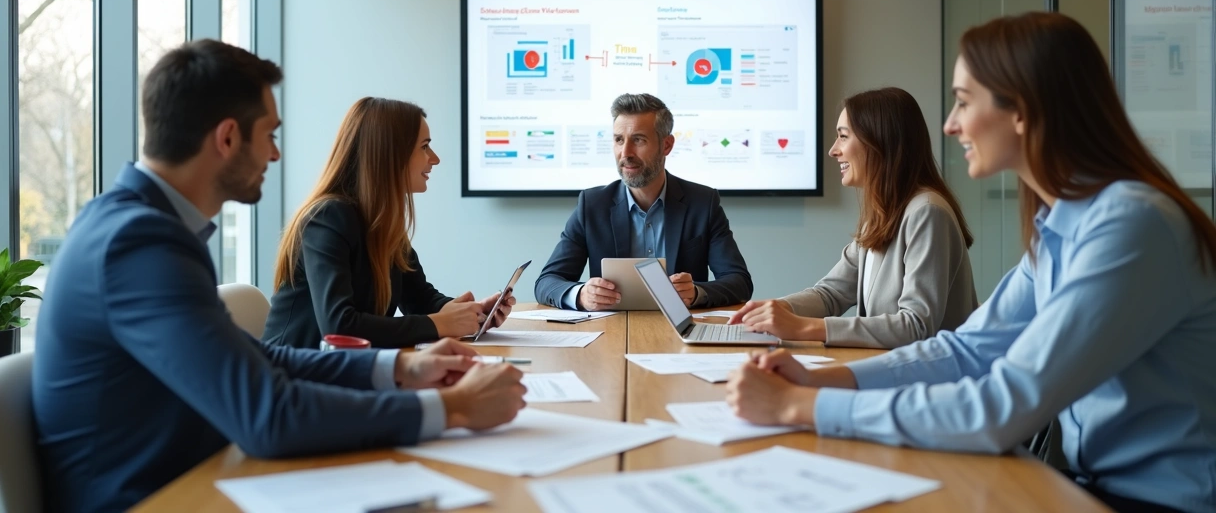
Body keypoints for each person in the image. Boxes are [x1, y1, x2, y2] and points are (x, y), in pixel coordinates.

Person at [726, 12, 1216, 513]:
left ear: (1021, 110)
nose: (950, 124)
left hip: (1160, 501)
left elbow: (1002, 404)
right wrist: (824, 379)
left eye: (963, 102)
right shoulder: (1059, 226)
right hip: (1087, 483)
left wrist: (801, 406)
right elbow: (966, 352)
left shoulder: (1131, 225)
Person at [32, 40, 526, 513]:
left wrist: (400, 370)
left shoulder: (146, 228)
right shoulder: (138, 244)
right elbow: (267, 415)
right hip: (158, 497)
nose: (276, 154)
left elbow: (255, 357)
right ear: (227, 138)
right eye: (269, 135)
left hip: (201, 474)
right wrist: (453, 410)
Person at [727, 87, 977, 348]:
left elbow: (916, 326)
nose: (833, 150)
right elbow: (831, 293)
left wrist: (804, 327)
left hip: (927, 380)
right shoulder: (883, 213)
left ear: (879, 142)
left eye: (843, 137)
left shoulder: (926, 212)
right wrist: (775, 309)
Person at [263, 97, 512, 349]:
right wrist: (440, 324)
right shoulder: (327, 218)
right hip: (292, 378)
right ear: (390, 154)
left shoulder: (382, 223)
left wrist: (472, 315)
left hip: (341, 372)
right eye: (424, 147)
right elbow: (339, 326)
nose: (434, 159)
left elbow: (418, 298)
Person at [534, 93, 752, 310]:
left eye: (638, 140)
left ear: (666, 145)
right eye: (619, 140)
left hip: (680, 332)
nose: (625, 153)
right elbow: (547, 282)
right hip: (610, 333)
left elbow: (739, 281)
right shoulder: (591, 205)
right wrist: (581, 294)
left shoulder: (703, 203)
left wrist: (696, 293)